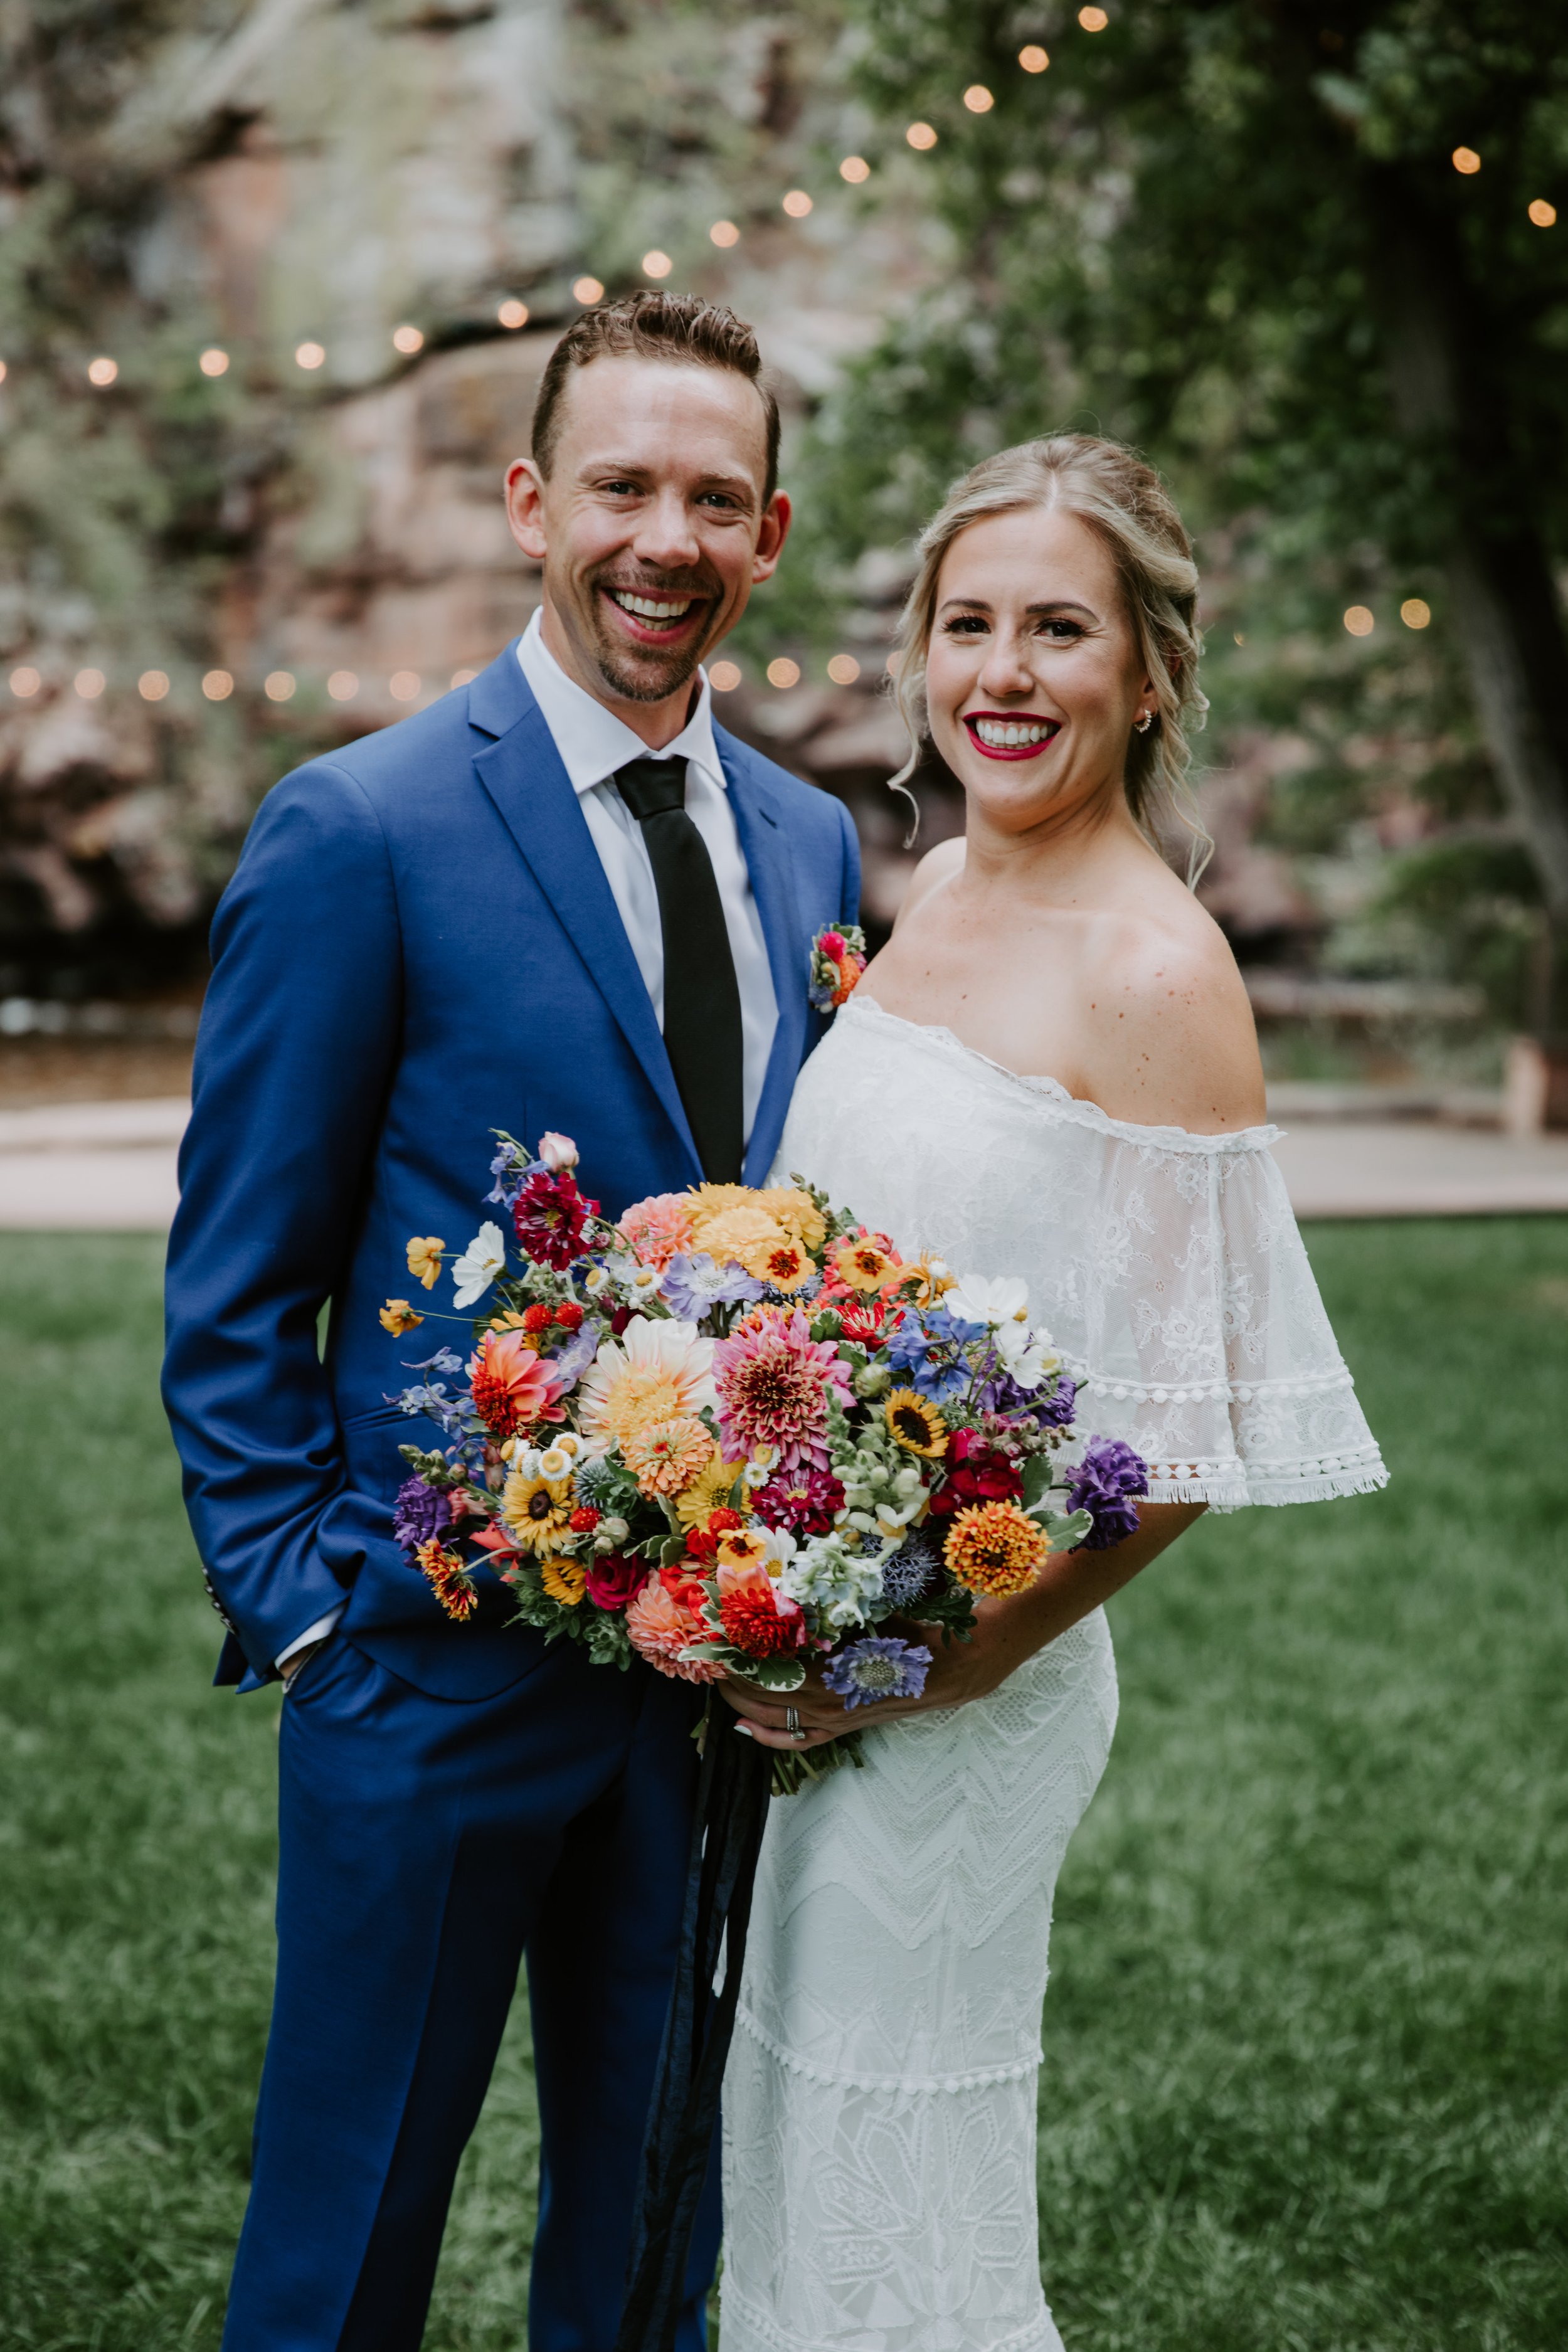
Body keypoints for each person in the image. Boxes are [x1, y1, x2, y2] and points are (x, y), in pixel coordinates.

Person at [162, 290, 859, 2352]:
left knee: (652, 2230)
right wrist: (310, 1601)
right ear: (529, 500)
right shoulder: (359, 825)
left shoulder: (814, 838)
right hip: (430, 1663)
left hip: (715, 1687)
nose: (668, 537)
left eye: (715, 498)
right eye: (625, 485)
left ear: (774, 532)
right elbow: (235, 1279)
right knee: (350, 2219)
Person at [717, 434, 1387, 2352]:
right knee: (782, 2126)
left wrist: (952, 1660)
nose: (1002, 672)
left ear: (1149, 673)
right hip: (809, 1636)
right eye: (968, 624)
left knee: (891, 2157)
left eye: (1059, 630)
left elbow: (1184, 1435)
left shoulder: (1156, 974)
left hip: (971, 1678)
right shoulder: (927, 885)